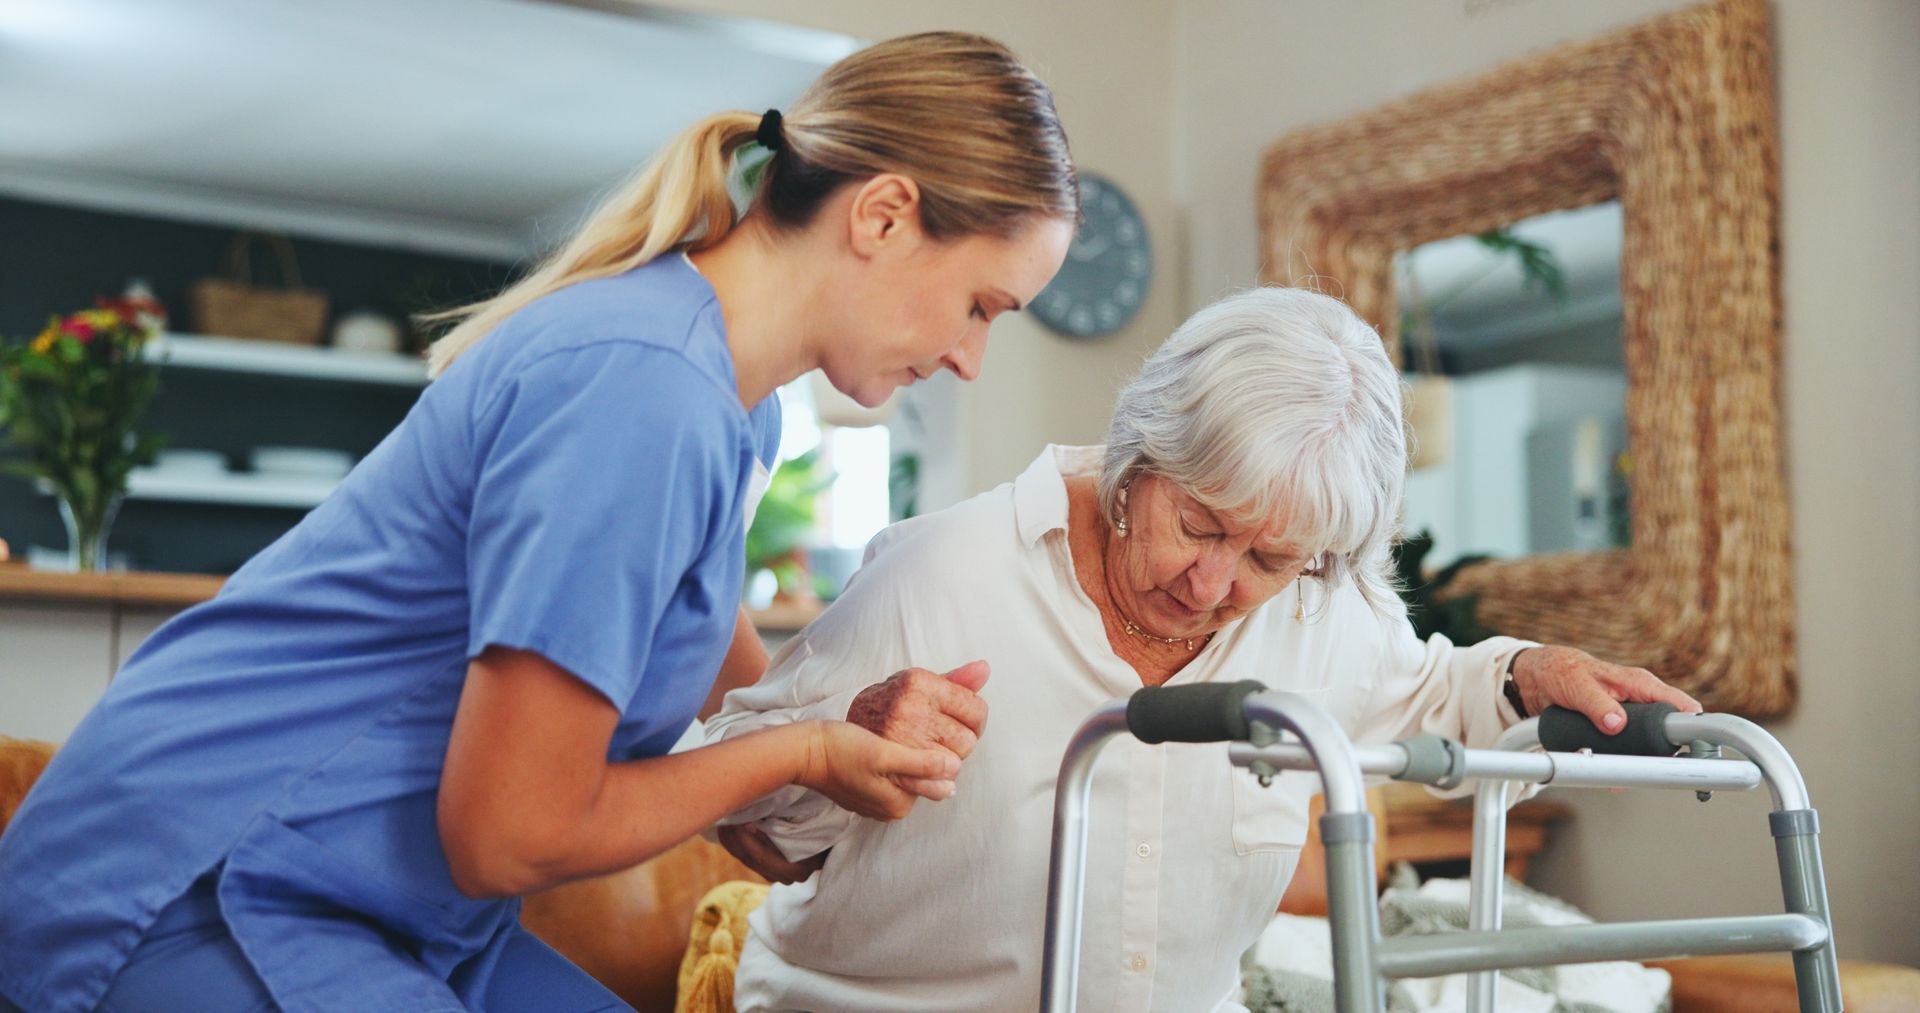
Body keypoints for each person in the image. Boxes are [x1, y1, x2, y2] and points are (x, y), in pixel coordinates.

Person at [0, 32, 1077, 1013]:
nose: (969, 357)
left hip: (373, 901)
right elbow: (507, 832)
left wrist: (833, 742)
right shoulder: (642, 392)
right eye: (981, 305)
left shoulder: (733, 411)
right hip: (185, 887)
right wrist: (803, 747)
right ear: (882, 214)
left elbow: (735, 723)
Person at [704, 287, 1702, 1012]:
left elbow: (1440, 690)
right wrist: (845, 738)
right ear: (1143, 459)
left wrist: (1526, 672)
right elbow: (748, 822)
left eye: (1269, 555)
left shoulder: (1318, 611)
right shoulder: (944, 573)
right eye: (1200, 524)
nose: (1214, 584)